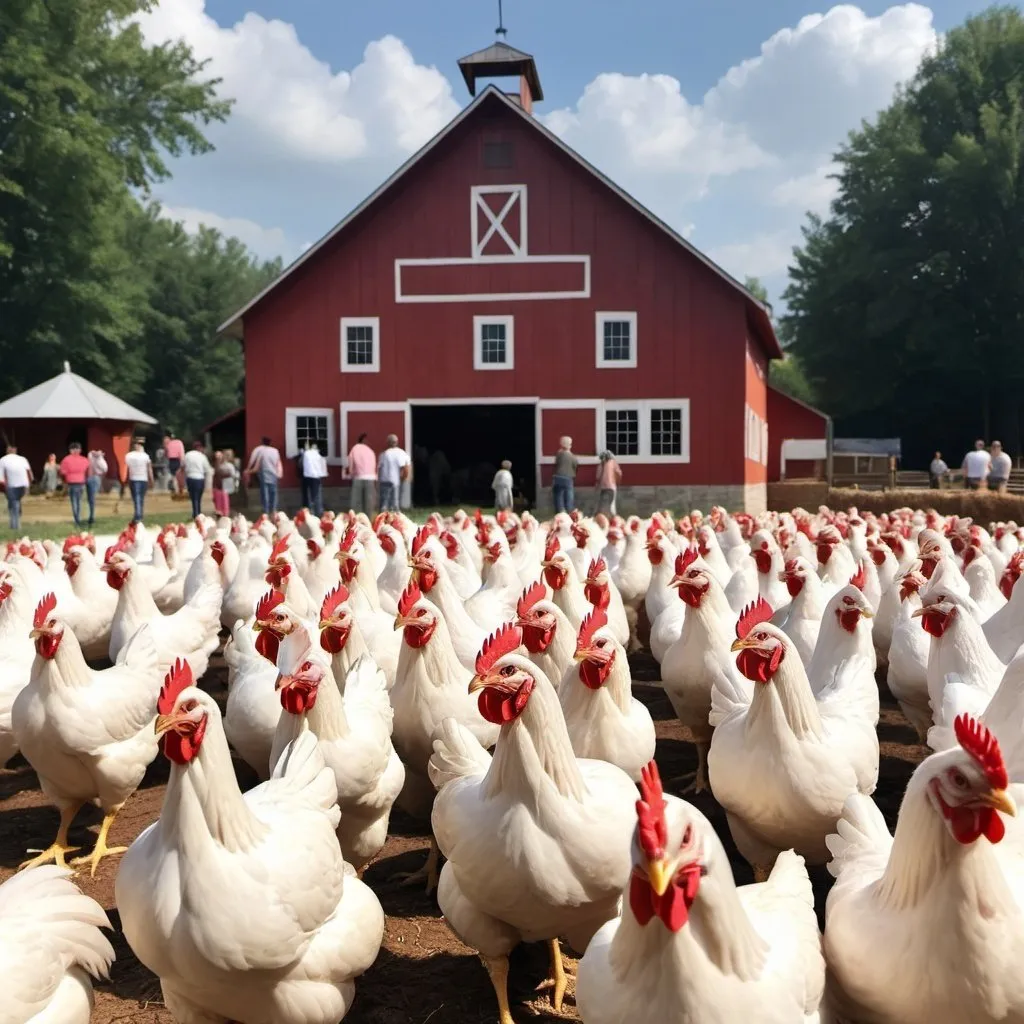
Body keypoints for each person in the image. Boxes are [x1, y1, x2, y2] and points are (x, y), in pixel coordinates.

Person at [245, 436, 283, 515]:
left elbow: (257, 466)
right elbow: (278, 463)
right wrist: (279, 474)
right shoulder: (275, 451)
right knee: (274, 493)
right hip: (274, 475)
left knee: (265, 494)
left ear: (262, 442)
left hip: (264, 475)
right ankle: (274, 510)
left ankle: (266, 511)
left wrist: (248, 470)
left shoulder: (262, 451)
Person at [0, 444, 33, 530]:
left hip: (12, 485)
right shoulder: (23, 459)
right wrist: (29, 486)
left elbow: (1, 478)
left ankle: (16, 526)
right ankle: (13, 524)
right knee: (15, 503)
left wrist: (3, 489)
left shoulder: (3, 460)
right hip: (23, 485)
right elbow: (30, 474)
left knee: (14, 504)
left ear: (8, 450)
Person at [59, 442, 91, 527]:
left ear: (70, 450)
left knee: (74, 502)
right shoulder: (84, 460)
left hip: (72, 483)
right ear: (80, 450)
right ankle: (80, 519)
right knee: (80, 502)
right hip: (81, 482)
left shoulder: (66, 460)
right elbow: (88, 471)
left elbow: (62, 472)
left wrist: (64, 480)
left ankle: (77, 520)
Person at [345, 433, 377, 518]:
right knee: (369, 501)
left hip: (358, 477)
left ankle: (357, 518)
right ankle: (368, 519)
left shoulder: (354, 449)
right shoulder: (370, 450)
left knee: (356, 501)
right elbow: (374, 464)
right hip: (370, 477)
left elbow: (351, 463)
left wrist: (351, 473)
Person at [377, 434, 410, 513]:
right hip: (395, 482)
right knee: (395, 504)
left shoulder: (383, 454)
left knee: (384, 504)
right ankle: (395, 521)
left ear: (388, 443)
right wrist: (403, 478)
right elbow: (405, 468)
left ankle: (383, 519)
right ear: (396, 442)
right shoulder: (401, 453)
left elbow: (379, 469)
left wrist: (378, 480)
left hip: (384, 481)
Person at [124, 439, 153, 523]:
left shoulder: (129, 455)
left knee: (136, 497)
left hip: (134, 479)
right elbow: (149, 469)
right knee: (140, 498)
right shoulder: (145, 456)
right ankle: (139, 515)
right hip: (143, 479)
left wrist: (125, 480)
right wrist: (151, 479)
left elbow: (126, 468)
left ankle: (138, 516)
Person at [183, 441, 213, 518]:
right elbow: (207, 469)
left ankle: (196, 512)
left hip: (190, 477)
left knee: (193, 497)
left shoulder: (187, 455)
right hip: (199, 478)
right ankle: (197, 513)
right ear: (199, 448)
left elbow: (183, 466)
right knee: (198, 497)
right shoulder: (202, 456)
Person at [552, 436, 579, 514]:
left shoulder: (559, 454)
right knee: (569, 498)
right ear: (570, 445)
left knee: (558, 497)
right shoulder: (572, 456)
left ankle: (560, 513)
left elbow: (556, 464)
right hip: (568, 478)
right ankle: (569, 513)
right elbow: (575, 466)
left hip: (558, 477)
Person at [86, 447, 108, 527]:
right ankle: (91, 516)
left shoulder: (94, 457)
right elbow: (105, 469)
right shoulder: (97, 458)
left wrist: (97, 456)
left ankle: (91, 516)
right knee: (91, 499)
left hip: (93, 477)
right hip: (94, 477)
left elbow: (104, 468)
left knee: (91, 499)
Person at [596, 450, 622, 516]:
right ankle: (613, 516)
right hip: (612, 486)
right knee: (612, 503)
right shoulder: (613, 463)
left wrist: (597, 485)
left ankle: (600, 515)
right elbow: (619, 473)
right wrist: (618, 481)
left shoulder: (601, 464)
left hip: (603, 486)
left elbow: (598, 476)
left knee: (602, 502)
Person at [211, 451, 235, 517]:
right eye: (216, 456)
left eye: (219, 456)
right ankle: (219, 513)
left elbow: (233, 474)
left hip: (225, 486)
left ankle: (226, 514)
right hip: (217, 486)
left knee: (225, 501)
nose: (218, 458)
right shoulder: (214, 466)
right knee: (218, 501)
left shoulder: (228, 465)